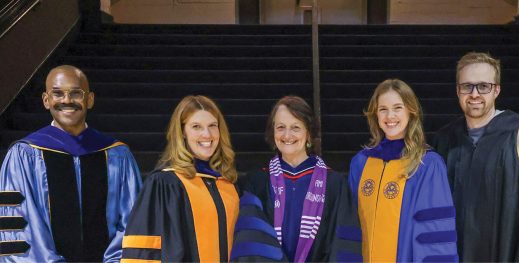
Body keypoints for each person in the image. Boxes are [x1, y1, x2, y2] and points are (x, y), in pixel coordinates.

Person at [0, 65, 142, 262]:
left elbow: (133, 221)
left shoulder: (117, 155)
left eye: (76, 93)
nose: (66, 100)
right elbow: (19, 227)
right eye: (57, 94)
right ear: (46, 100)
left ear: (89, 99)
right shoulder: (24, 155)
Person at [431, 52, 519, 261]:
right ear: (458, 90)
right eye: (467, 86)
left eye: (484, 86)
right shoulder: (444, 141)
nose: (474, 94)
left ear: (496, 90)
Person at [231, 96, 362, 262]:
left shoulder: (335, 185)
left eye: (295, 127)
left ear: (308, 133)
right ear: (273, 132)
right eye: (280, 127)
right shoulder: (255, 184)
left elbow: (343, 248)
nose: (287, 135)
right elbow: (250, 243)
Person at [348, 79, 458, 262]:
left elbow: (435, 234)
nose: (390, 115)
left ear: (410, 111)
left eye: (397, 107)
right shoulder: (361, 163)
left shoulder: (427, 165)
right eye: (383, 109)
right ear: (375, 114)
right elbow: (349, 225)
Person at [121, 95, 240, 262]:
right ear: (182, 132)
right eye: (196, 127)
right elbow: (144, 250)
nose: (207, 134)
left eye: (213, 125)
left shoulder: (227, 184)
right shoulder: (164, 183)